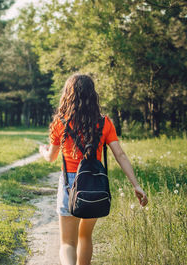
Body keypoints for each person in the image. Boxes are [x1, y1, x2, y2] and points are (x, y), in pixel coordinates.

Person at [39, 73, 148, 265]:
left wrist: (43, 151)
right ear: (93, 95)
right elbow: (120, 155)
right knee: (85, 237)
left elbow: (51, 157)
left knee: (67, 243)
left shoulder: (60, 123)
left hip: (68, 185)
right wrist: (136, 185)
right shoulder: (104, 123)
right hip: (95, 185)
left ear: (68, 94)